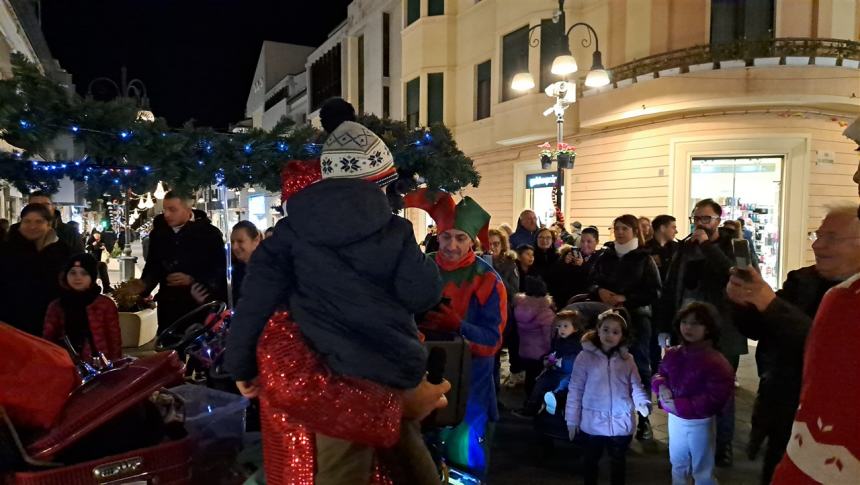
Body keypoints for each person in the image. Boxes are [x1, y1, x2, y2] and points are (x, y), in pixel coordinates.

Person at [228, 116, 446, 484]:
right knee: (411, 462)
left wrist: (241, 365)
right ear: (380, 182)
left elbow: (255, 301)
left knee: (342, 468)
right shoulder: (396, 230)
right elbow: (422, 293)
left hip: (335, 372)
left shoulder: (292, 232)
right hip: (394, 368)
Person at [726, 203, 860, 484]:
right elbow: (758, 330)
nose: (818, 246)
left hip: (835, 434)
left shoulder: (853, 298)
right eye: (817, 235)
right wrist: (744, 302)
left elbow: (826, 348)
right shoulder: (802, 280)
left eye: (831, 238)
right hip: (782, 408)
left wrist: (769, 304)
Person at [771, 116, 860, 484]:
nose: (856, 176)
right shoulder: (808, 283)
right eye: (817, 235)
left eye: (832, 238)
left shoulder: (846, 302)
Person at [405, 188, 507, 479]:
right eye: (447, 236)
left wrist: (457, 325)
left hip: (469, 385)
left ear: (471, 241)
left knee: (465, 459)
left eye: (460, 238)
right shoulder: (421, 269)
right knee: (419, 458)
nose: (451, 245)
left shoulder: (488, 279)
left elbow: (492, 341)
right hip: (419, 378)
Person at [661, 198, 753, 467]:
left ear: (718, 220)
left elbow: (739, 275)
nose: (700, 223)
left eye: (706, 219)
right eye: (696, 218)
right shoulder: (685, 249)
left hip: (724, 330)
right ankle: (690, 442)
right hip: (688, 330)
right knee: (686, 387)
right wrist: (666, 327)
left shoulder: (737, 245)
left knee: (721, 391)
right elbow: (671, 287)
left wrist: (708, 245)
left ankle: (723, 445)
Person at [587, 214, 662, 441]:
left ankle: (644, 418)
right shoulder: (605, 256)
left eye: (625, 228)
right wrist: (600, 291)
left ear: (634, 231)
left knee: (639, 366)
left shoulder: (644, 259)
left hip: (636, 319)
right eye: (617, 228)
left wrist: (625, 298)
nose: (619, 232)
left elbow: (654, 291)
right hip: (605, 319)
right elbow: (590, 280)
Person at [652, 302, 735, 485]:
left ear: (708, 328)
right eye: (685, 321)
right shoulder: (674, 353)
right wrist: (661, 386)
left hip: (701, 422)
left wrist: (680, 405)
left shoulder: (716, 362)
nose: (688, 327)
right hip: (675, 419)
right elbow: (660, 373)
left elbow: (716, 398)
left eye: (696, 323)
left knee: (702, 466)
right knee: (677, 461)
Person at [566, 309, 651, 485]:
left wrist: (642, 402)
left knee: (618, 462)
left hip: (621, 422)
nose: (609, 335)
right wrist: (572, 419)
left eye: (615, 331)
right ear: (598, 330)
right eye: (605, 329)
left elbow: (635, 385)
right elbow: (575, 388)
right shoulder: (585, 357)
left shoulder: (628, 360)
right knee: (590, 462)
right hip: (593, 422)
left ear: (623, 336)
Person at [141, 191, 227, 332]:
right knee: (170, 348)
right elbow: (152, 266)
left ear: (188, 210)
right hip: (168, 305)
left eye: (172, 210)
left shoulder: (209, 234)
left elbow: (219, 268)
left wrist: (193, 279)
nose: (167, 214)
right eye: (165, 210)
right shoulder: (159, 233)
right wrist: (141, 289)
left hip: (198, 305)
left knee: (196, 348)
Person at [0, 204, 71, 335]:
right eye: (27, 221)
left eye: (39, 221)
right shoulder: (7, 250)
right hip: (12, 324)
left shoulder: (61, 250)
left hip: (50, 323)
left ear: (48, 224)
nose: (32, 226)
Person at [43, 253, 122, 361]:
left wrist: (116, 365)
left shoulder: (104, 305)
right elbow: (49, 339)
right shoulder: (57, 306)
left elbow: (114, 339)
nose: (77, 277)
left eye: (84, 273)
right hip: (66, 363)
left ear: (92, 277)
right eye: (73, 273)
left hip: (100, 364)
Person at [527, 309, 584, 416]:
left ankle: (554, 401)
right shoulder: (559, 341)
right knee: (541, 383)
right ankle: (532, 407)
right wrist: (546, 359)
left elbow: (572, 363)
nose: (561, 329)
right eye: (559, 326)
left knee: (563, 385)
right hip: (554, 371)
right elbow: (553, 353)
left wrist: (557, 362)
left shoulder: (577, 344)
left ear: (575, 328)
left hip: (567, 374)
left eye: (565, 326)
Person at [512, 276, 555, 414]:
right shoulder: (545, 312)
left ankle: (528, 403)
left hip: (524, 350)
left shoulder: (519, 307)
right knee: (539, 381)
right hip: (541, 353)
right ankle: (534, 407)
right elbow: (549, 336)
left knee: (529, 378)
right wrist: (552, 352)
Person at [646, 214, 679, 376]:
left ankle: (671, 371)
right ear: (662, 228)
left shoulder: (677, 250)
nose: (676, 230)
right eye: (673, 227)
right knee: (653, 341)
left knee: (673, 339)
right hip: (653, 303)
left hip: (672, 302)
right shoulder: (646, 250)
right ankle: (656, 373)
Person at [8, 191, 84, 254]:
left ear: (53, 207)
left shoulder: (70, 232)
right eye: (35, 205)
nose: (41, 208)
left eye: (46, 205)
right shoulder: (16, 230)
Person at [229, 221, 262, 304]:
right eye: (232, 242)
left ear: (256, 241)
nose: (234, 247)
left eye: (240, 241)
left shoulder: (269, 269)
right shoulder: (235, 270)